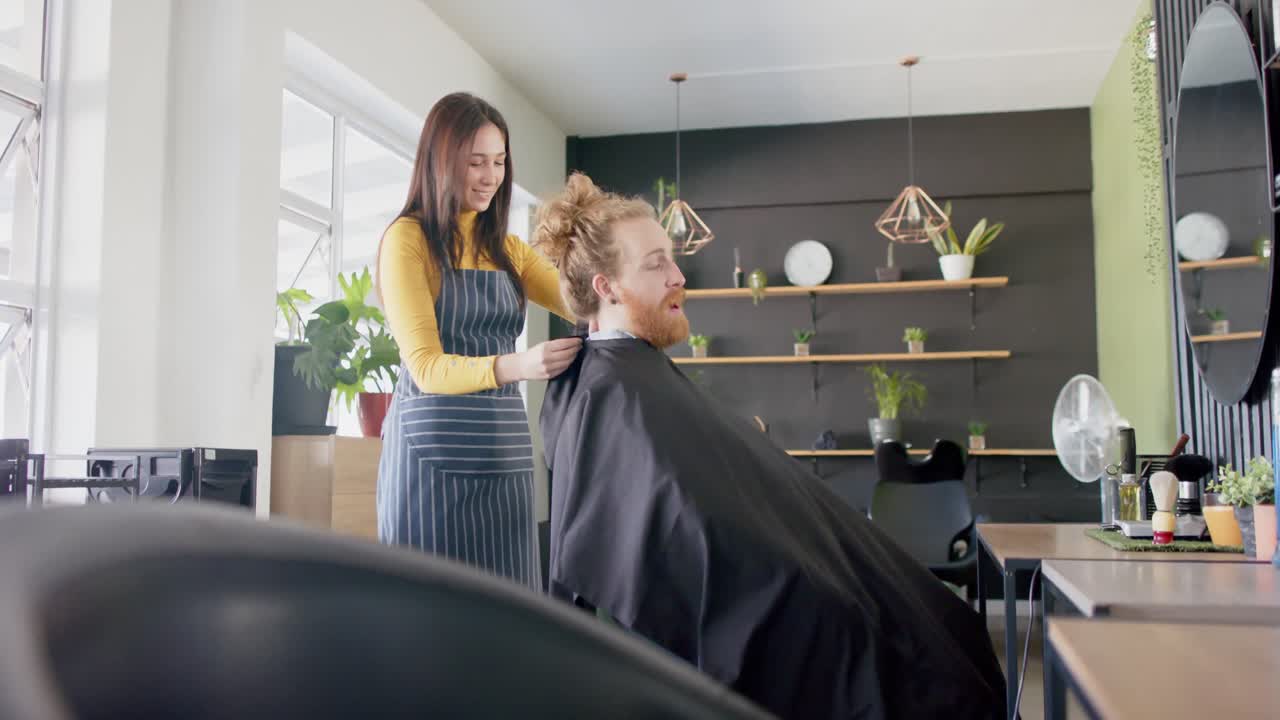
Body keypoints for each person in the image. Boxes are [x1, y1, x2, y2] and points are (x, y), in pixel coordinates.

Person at [533, 173, 1006, 719]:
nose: (679, 275)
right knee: (911, 642)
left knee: (930, 616)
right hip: (773, 594)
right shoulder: (611, 390)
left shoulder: (623, 377)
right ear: (607, 287)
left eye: (673, 257)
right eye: (656, 262)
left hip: (792, 571)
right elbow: (676, 534)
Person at [376, 92, 579, 591]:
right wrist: (519, 365)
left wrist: (622, 266)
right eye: (476, 162)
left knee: (512, 617)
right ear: (441, 162)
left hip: (503, 456)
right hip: (429, 463)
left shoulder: (509, 250)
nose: (491, 177)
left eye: (500, 162)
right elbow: (425, 366)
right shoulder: (408, 240)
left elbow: (582, 304)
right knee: (426, 617)